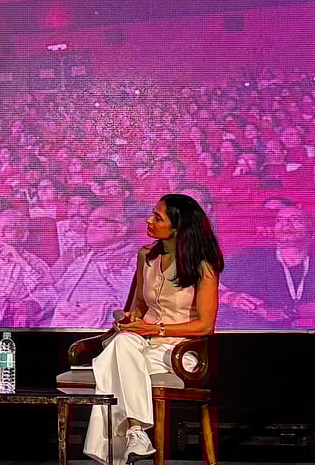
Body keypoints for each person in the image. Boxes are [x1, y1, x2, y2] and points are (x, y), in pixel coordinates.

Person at [83, 194, 224, 464]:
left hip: (180, 351)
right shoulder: (146, 256)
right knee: (122, 343)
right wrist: (130, 319)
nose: (149, 220)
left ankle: (118, 451)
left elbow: (205, 326)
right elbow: (138, 306)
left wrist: (154, 329)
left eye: (157, 218)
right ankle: (136, 433)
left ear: (178, 227)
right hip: (143, 344)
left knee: (111, 365)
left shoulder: (203, 266)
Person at [220, 204, 315, 328]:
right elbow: (212, 289)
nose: (285, 224)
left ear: (312, 233)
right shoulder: (248, 257)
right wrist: (231, 298)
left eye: (295, 219)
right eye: (279, 220)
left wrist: (284, 313)